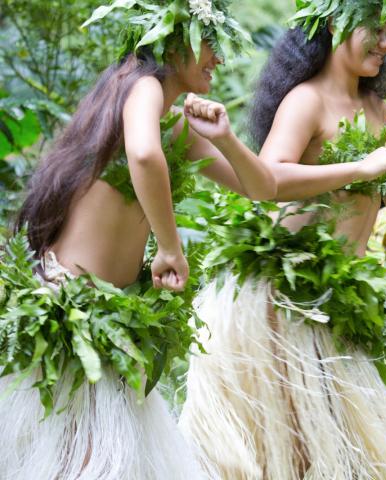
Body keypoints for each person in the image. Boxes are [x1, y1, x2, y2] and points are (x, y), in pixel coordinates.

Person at [0, 0, 276, 478]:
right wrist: (170, 246)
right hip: (71, 309)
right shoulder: (143, 87)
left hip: (113, 319)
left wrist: (228, 137)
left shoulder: (177, 125)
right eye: (211, 42)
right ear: (173, 43)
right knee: (82, 461)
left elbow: (262, 186)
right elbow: (144, 155)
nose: (220, 57)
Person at [178, 0, 386, 478]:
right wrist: (358, 168)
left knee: (340, 440)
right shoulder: (306, 100)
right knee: (294, 442)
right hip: (288, 300)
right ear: (337, 24)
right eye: (376, 31)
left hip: (342, 295)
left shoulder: (376, 107)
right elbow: (271, 177)